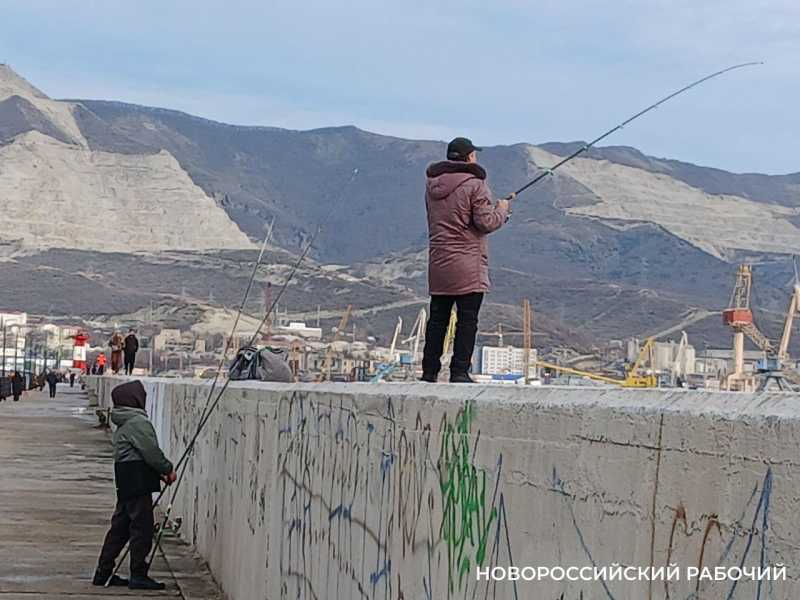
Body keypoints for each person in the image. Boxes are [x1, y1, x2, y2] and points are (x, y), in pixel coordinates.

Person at [421, 137, 511, 383]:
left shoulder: (432, 187)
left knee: (437, 319)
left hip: (439, 262)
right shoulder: (476, 185)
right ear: (470, 157)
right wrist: (502, 209)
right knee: (467, 319)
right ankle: (459, 371)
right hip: (467, 264)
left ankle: (429, 372)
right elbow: (485, 223)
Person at [93, 380, 177, 590]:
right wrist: (167, 469)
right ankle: (138, 573)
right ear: (136, 400)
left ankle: (103, 573)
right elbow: (151, 453)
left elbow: (137, 454)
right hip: (138, 481)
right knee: (142, 528)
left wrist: (159, 474)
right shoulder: (138, 422)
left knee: (120, 528)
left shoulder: (123, 422)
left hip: (126, 479)